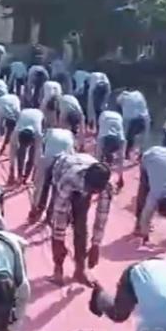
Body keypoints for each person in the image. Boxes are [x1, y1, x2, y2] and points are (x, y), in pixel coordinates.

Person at [88, 258, 166, 331]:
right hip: (137, 274)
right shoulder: (157, 321)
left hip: (164, 268)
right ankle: (100, 297)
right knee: (118, 315)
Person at [47, 153, 113, 285]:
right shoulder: (69, 179)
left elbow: (102, 216)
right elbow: (59, 212)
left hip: (82, 168)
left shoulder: (106, 187)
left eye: (95, 191)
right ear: (86, 179)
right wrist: (59, 240)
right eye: (90, 189)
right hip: (60, 170)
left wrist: (96, 244)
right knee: (56, 222)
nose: (92, 192)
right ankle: (58, 269)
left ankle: (80, 270)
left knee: (81, 225)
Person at [29, 128, 75, 224]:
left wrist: (36, 171)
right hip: (62, 162)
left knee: (42, 186)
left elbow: (40, 147)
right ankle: (49, 216)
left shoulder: (49, 132)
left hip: (49, 159)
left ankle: (37, 209)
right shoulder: (70, 135)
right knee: (55, 189)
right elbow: (72, 154)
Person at [134, 146, 166, 243]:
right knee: (143, 193)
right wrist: (145, 236)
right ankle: (138, 224)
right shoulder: (155, 195)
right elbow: (146, 216)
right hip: (149, 156)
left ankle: (140, 226)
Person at [8, 108, 45, 185]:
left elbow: (38, 153)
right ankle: (20, 174)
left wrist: (34, 173)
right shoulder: (16, 132)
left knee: (33, 152)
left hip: (39, 115)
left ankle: (26, 175)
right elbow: (12, 151)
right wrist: (11, 172)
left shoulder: (38, 134)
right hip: (24, 114)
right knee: (20, 153)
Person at [117, 89, 151, 160]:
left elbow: (118, 102)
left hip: (131, 118)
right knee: (144, 137)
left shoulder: (123, 96)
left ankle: (126, 153)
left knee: (127, 136)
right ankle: (141, 153)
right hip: (144, 116)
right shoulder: (139, 94)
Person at [96, 110, 126, 189]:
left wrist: (97, 165)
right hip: (117, 137)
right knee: (120, 157)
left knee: (99, 157)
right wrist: (121, 176)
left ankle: (99, 177)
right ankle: (120, 179)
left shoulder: (102, 136)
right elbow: (121, 158)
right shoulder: (121, 139)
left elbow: (98, 156)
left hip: (107, 135)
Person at [0, 94, 21, 159]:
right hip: (13, 108)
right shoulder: (1, 103)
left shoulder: (0, 103)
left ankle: (0, 148)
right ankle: (2, 148)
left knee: (5, 130)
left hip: (12, 110)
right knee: (10, 131)